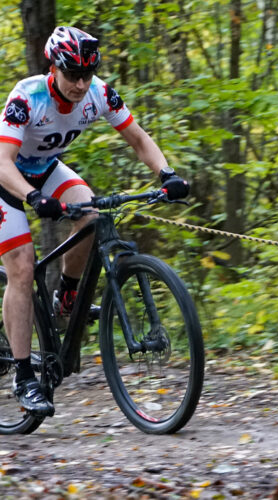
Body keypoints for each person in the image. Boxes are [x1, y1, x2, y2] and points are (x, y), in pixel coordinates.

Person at [0, 26, 189, 416]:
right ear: (53, 68)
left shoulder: (99, 93)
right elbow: (3, 162)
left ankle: (66, 296)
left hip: (44, 169)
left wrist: (166, 174)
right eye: (72, 75)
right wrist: (34, 197)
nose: (81, 83)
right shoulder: (27, 97)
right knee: (21, 267)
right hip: (6, 178)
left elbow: (138, 138)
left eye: (87, 74)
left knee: (89, 213)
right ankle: (22, 377)